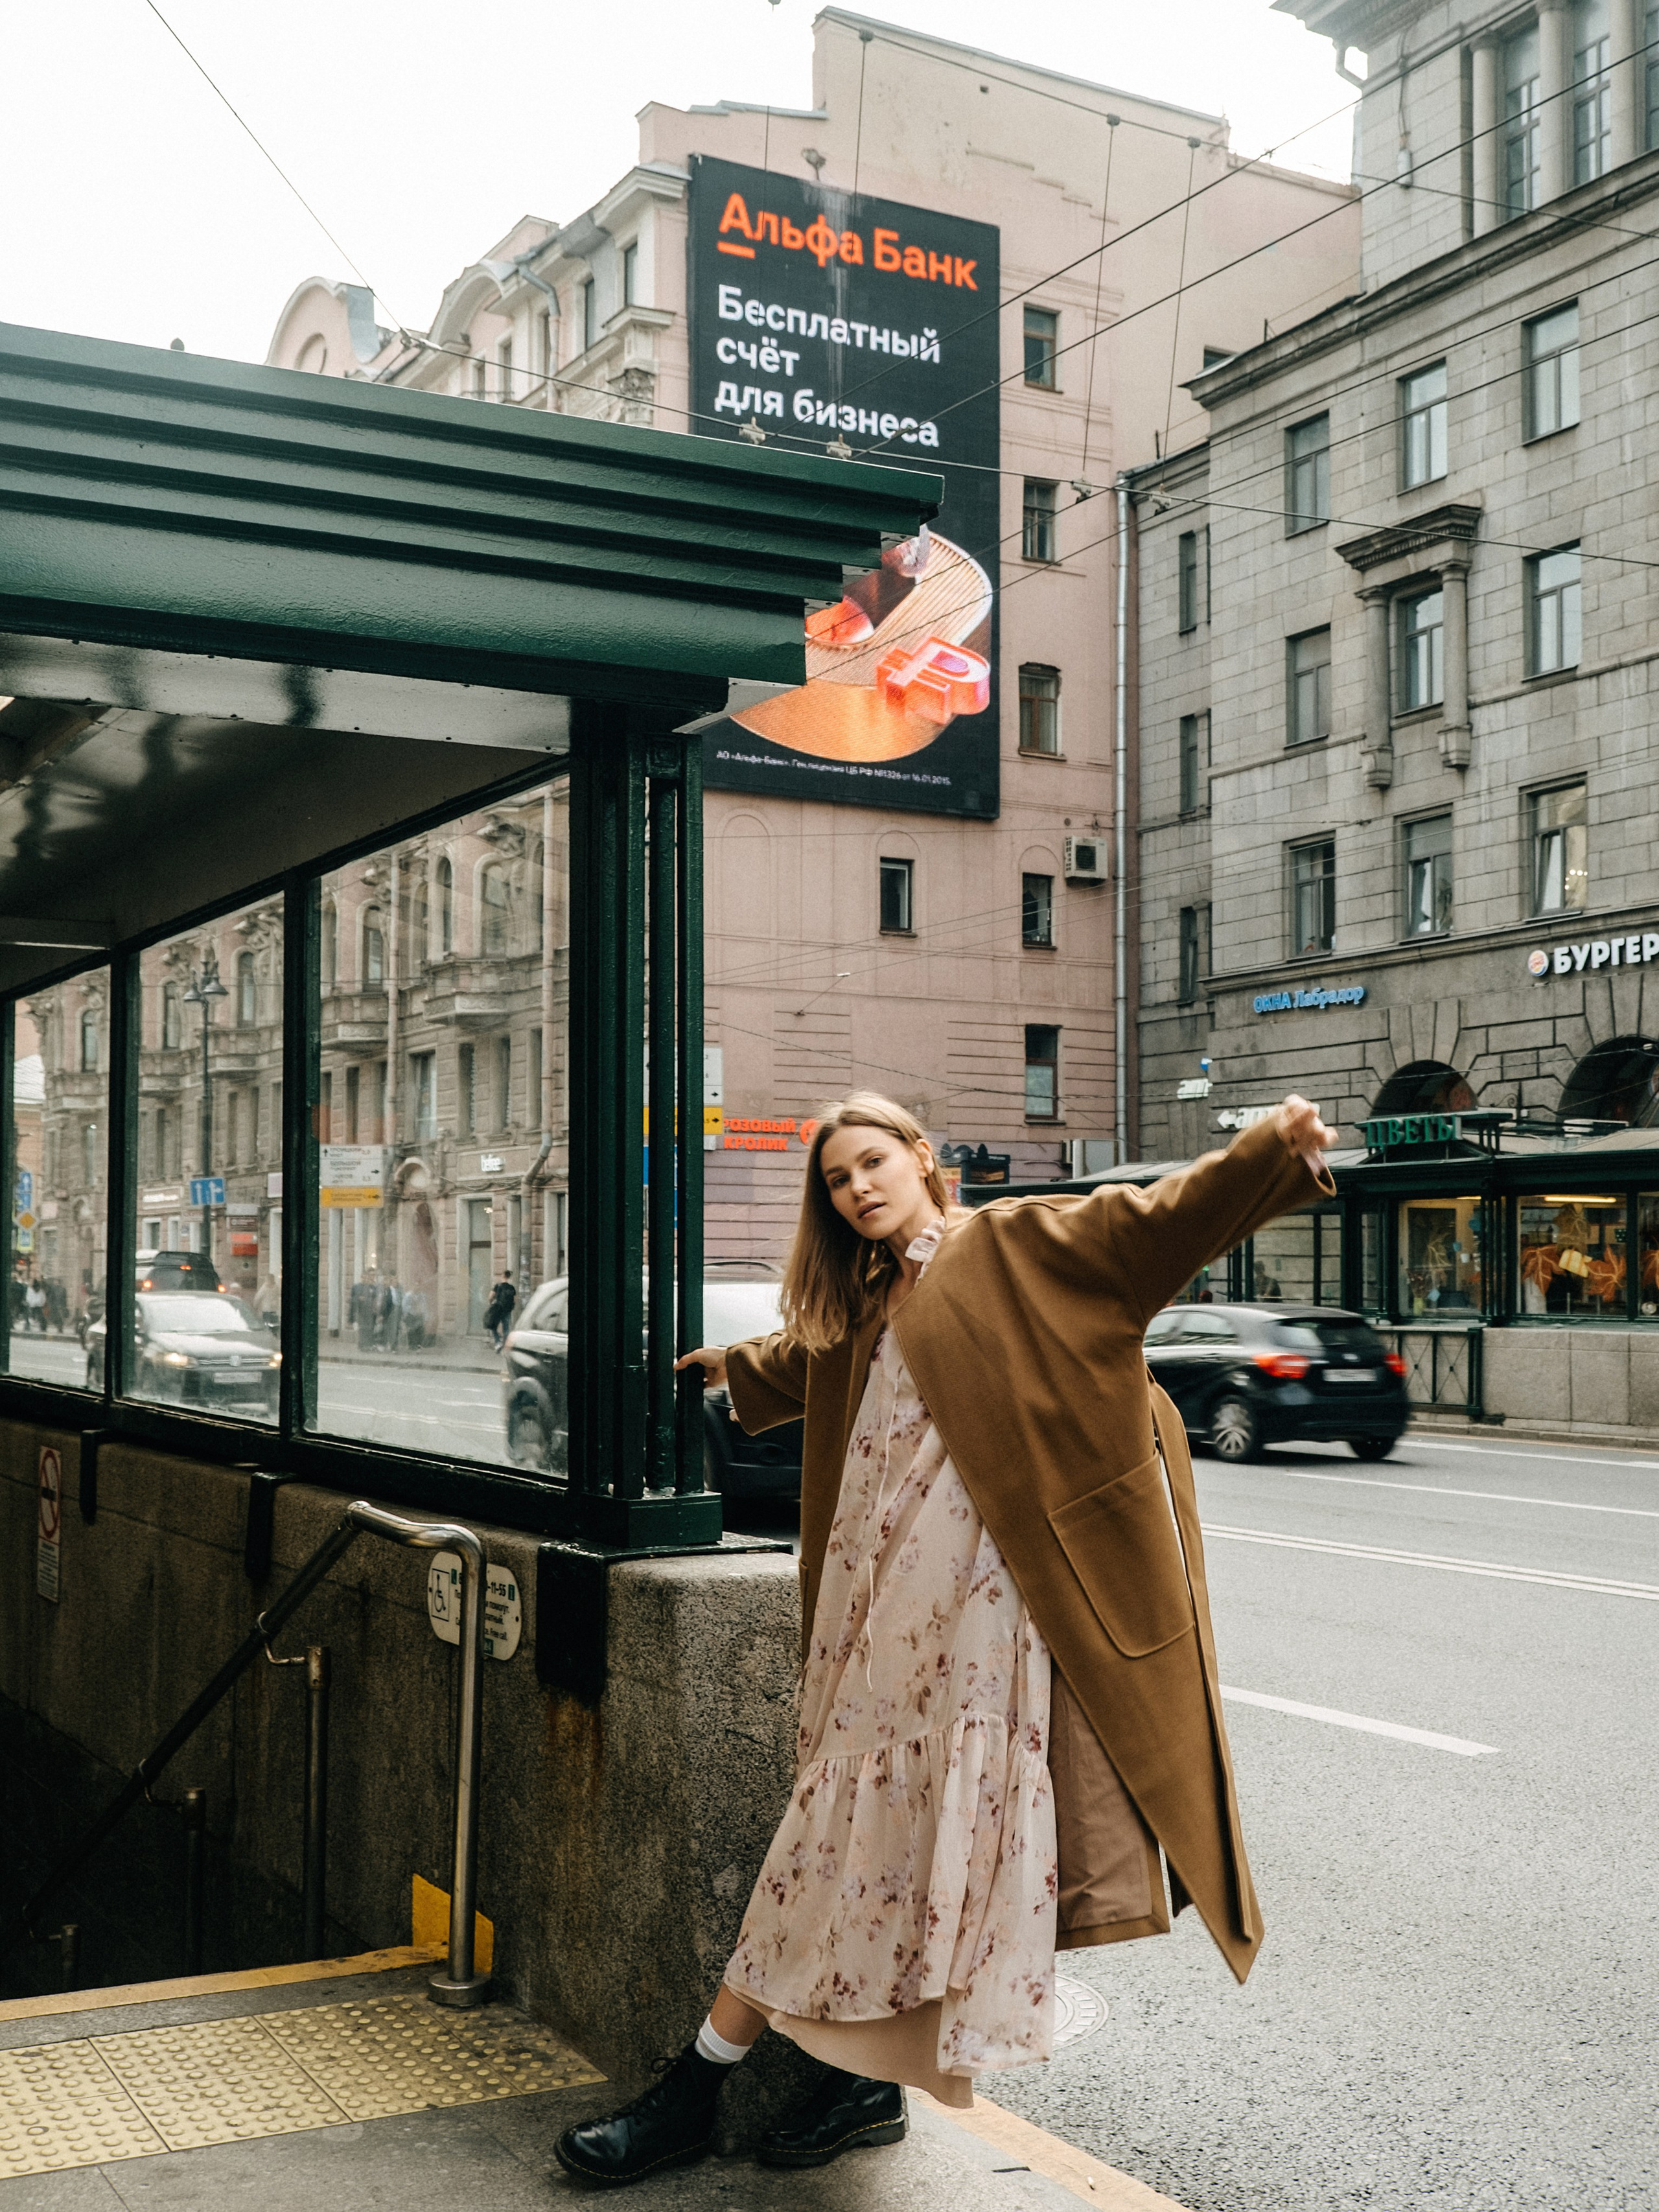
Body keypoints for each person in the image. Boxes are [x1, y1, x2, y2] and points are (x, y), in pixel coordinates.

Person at [555, 1089, 1334, 2187]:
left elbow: (1146, 1223)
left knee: (838, 1846)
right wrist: (733, 1368)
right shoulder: (869, 1293)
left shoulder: (1006, 1245)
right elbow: (814, 1358)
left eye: (874, 1161)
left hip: (976, 1617)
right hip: (874, 1615)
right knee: (871, 1842)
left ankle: (697, 2084)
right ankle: (859, 2081)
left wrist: (1265, 1152)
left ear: (923, 1159)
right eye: (836, 1179)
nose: (858, 1186)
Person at [483, 1272, 516, 1351]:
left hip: (498, 1310)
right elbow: (515, 1300)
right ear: (509, 1277)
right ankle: (505, 1346)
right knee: (506, 1328)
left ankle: (498, 1343)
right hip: (507, 1311)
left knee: (493, 1326)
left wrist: (491, 1303)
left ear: (503, 1276)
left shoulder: (498, 1286)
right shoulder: (512, 1288)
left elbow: (490, 1297)